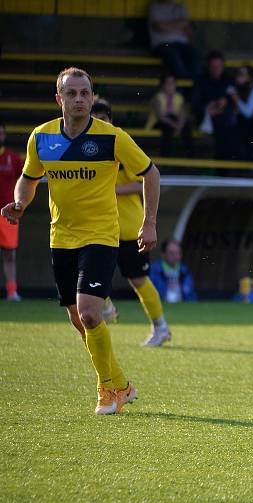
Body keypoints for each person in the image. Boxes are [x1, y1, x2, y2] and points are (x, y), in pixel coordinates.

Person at [1, 67, 161, 415]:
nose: (78, 99)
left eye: (84, 93)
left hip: (102, 236)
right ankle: (120, 384)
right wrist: (20, 203)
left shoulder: (112, 137)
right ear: (59, 99)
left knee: (90, 312)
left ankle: (108, 390)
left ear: (92, 97)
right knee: (77, 319)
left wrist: (148, 224)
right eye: (71, 93)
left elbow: (151, 173)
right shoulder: (41, 138)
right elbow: (28, 179)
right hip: (61, 237)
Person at [91, 101, 172, 347]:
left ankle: (161, 327)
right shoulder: (85, 148)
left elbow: (145, 181)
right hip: (99, 226)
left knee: (137, 280)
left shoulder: (120, 145)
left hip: (128, 228)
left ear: (111, 120)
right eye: (95, 120)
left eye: (103, 119)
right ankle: (105, 308)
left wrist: (114, 188)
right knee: (85, 272)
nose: (99, 124)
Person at [191, 51, 236, 160]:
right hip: (203, 120)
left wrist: (225, 102)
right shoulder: (200, 81)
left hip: (225, 122)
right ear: (208, 67)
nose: (216, 69)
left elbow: (234, 102)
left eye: (218, 66)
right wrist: (207, 110)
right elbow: (195, 103)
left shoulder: (229, 80)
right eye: (213, 67)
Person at [0, 122, 24, 301]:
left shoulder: (12, 158)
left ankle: (11, 291)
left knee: (10, 254)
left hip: (7, 214)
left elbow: (25, 179)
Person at [146, 73, 192, 157]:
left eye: (173, 83)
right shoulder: (157, 97)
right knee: (168, 128)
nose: (170, 85)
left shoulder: (179, 97)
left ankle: (190, 155)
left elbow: (183, 114)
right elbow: (160, 116)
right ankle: (166, 156)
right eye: (168, 83)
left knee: (187, 126)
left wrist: (180, 125)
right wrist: (175, 125)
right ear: (163, 85)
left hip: (174, 123)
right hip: (159, 123)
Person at [148, 0, 197, 79]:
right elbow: (158, 26)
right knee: (173, 55)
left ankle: (192, 82)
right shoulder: (155, 6)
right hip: (162, 45)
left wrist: (167, 26)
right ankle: (182, 81)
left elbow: (189, 30)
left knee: (195, 54)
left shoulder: (180, 7)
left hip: (181, 44)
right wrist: (179, 26)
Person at [230, 65, 253, 161]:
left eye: (242, 75)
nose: (239, 77)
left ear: (250, 77)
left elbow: (248, 113)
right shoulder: (232, 88)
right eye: (238, 74)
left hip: (252, 129)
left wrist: (237, 100)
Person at [149, 238, 197, 303]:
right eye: (172, 253)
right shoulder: (153, 271)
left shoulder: (185, 271)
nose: (176, 256)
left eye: (178, 253)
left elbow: (191, 295)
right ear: (163, 255)